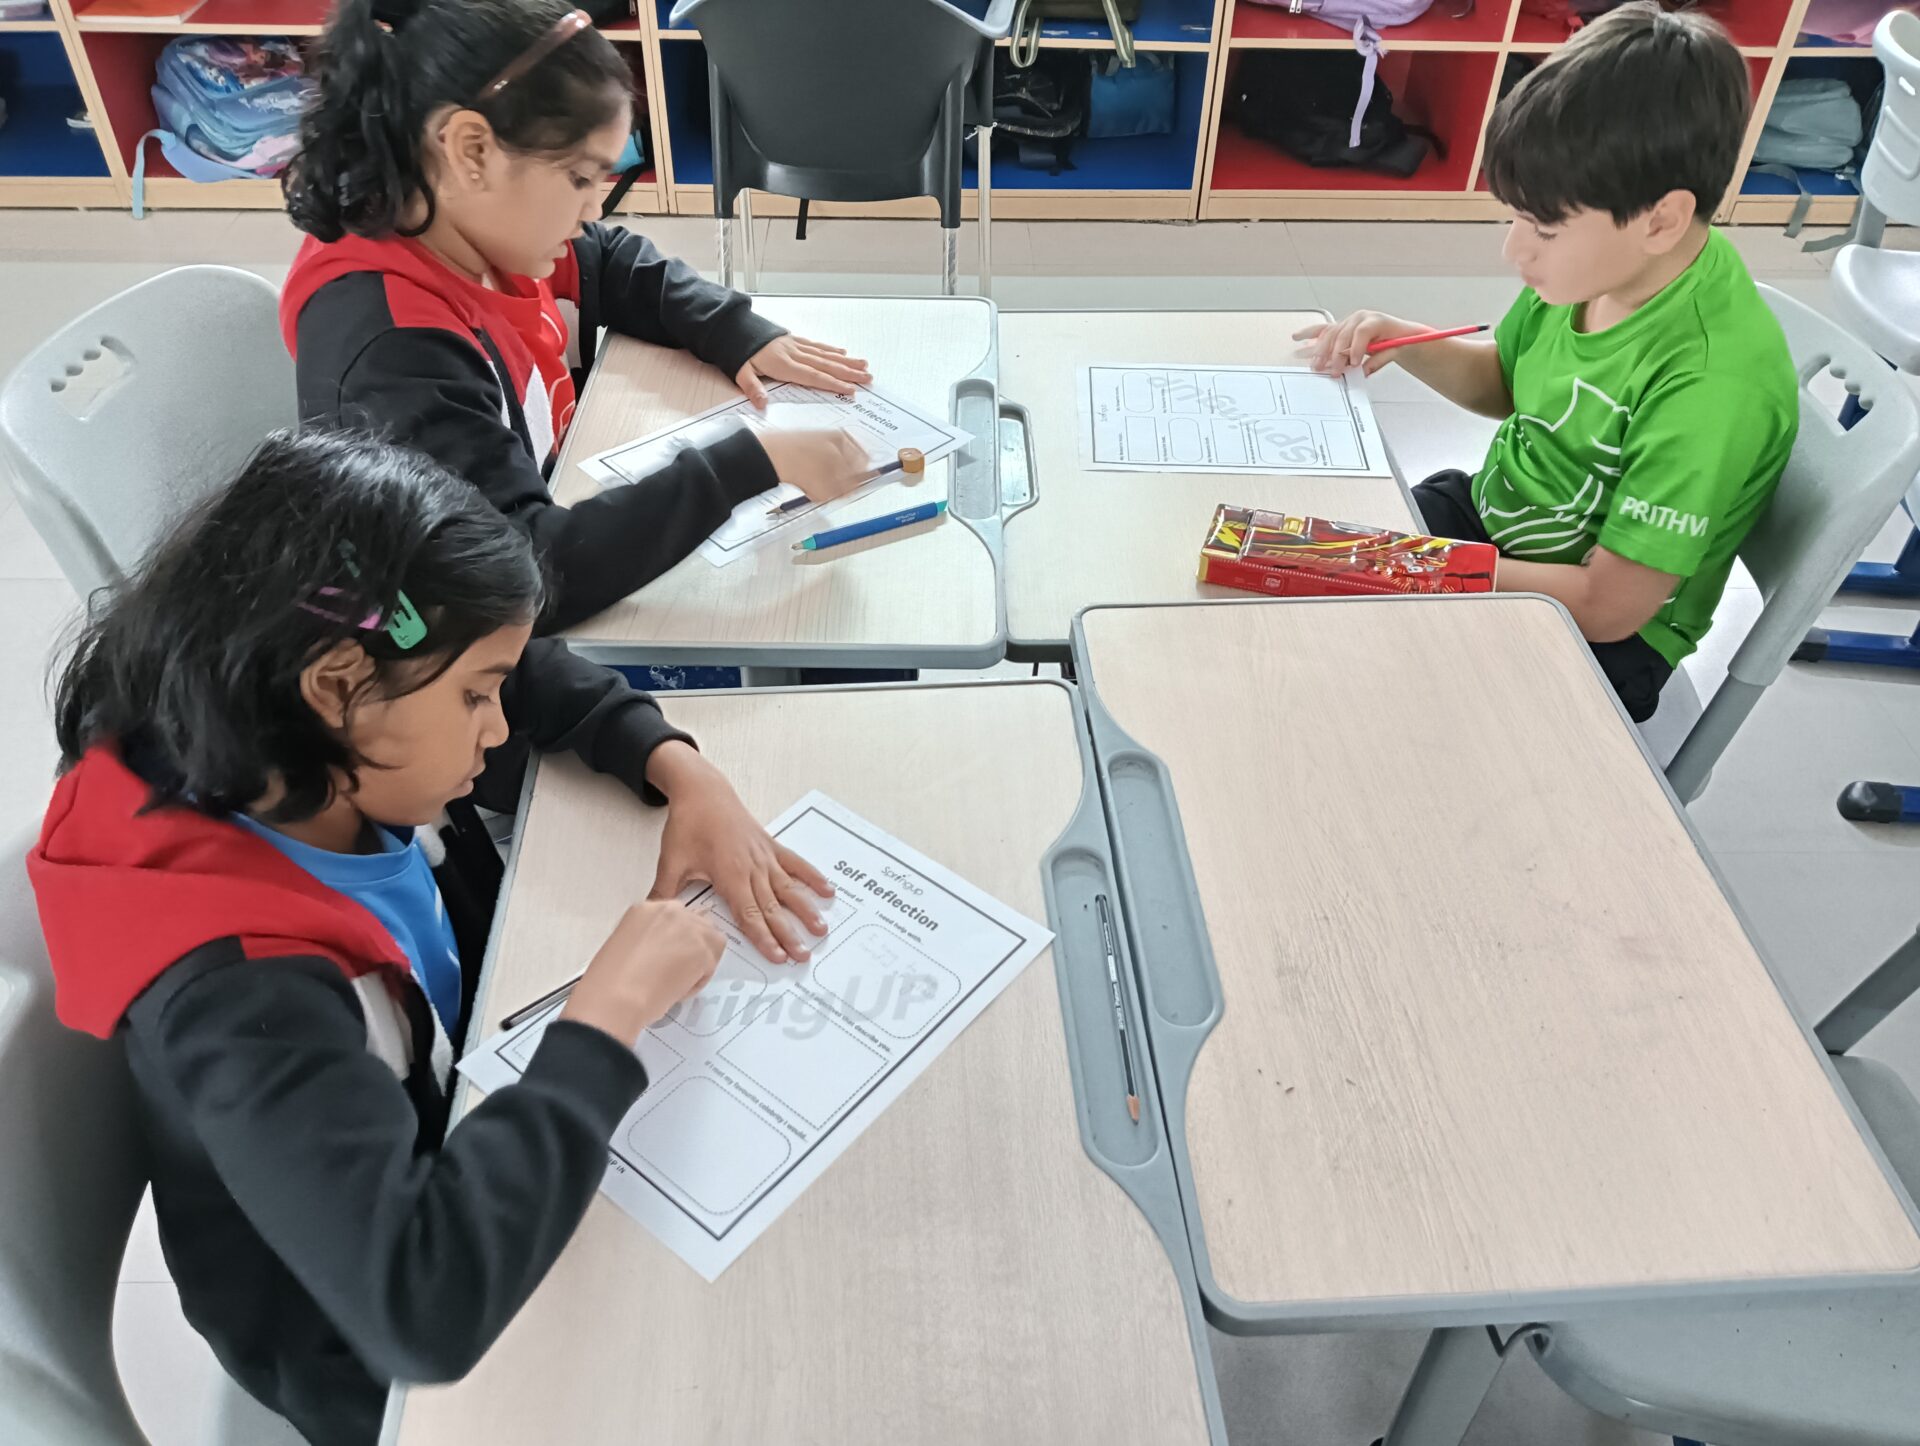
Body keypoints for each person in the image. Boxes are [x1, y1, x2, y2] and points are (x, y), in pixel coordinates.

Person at [28, 431, 836, 1445]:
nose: (497, 727)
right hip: (371, 1363)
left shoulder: (289, 743)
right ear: (335, 685)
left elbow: (514, 660)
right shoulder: (245, 1003)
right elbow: (421, 1309)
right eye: (472, 699)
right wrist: (604, 1020)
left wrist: (675, 765)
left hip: (454, 1111)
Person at [280, 0, 875, 630]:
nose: (593, 211)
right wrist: (747, 463)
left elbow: (609, 262)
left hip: (549, 505)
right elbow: (517, 579)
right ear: (471, 149)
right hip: (482, 657)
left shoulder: (457, 220)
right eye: (580, 179)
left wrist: (730, 329)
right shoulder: (394, 351)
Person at [1298, 3, 1797, 723]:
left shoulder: (1711, 385)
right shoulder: (1604, 269)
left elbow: (1609, 608)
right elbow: (1505, 383)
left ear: (1661, 219)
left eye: (1544, 227)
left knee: (1375, 703)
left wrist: (1423, 569)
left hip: (1595, 634)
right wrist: (1400, 339)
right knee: (1299, 567)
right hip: (1495, 525)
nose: (1514, 251)